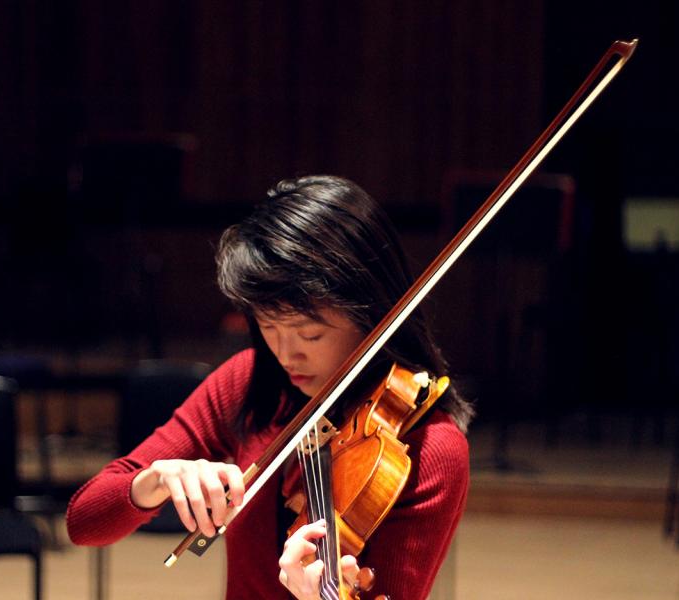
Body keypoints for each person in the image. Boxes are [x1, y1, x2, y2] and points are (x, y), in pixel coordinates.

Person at [66, 175, 473, 600]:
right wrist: (154, 480)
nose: (285, 354)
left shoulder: (427, 450)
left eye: (309, 334)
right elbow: (84, 521)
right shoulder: (249, 381)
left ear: (372, 312)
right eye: (267, 325)